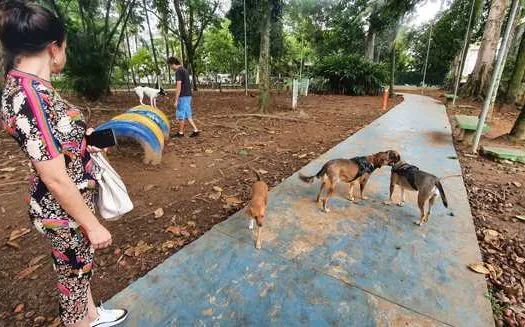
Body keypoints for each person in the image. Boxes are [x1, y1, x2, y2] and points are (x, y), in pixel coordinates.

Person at [0, 2, 128, 326]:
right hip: (63, 208)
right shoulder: (29, 96)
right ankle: (80, 320)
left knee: (77, 269)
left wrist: (83, 141)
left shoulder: (30, 87)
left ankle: (92, 315)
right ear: (54, 48)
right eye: (65, 47)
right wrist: (92, 224)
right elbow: (54, 177)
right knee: (72, 276)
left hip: (67, 202)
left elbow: (52, 141)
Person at [167, 57, 199, 138]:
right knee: (187, 114)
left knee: (181, 114)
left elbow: (179, 86)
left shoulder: (178, 71)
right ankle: (196, 130)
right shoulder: (184, 70)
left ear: (173, 64)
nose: (171, 68)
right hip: (188, 95)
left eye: (170, 66)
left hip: (183, 96)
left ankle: (181, 133)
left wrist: (176, 100)